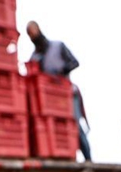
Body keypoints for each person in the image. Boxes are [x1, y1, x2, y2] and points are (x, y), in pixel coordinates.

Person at [26, 21, 92, 162]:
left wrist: (61, 71)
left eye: (33, 31)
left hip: (66, 94)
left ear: (39, 29)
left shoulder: (58, 46)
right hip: (48, 98)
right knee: (54, 126)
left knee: (74, 125)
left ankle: (88, 159)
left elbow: (74, 62)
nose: (33, 35)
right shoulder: (34, 57)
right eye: (30, 34)